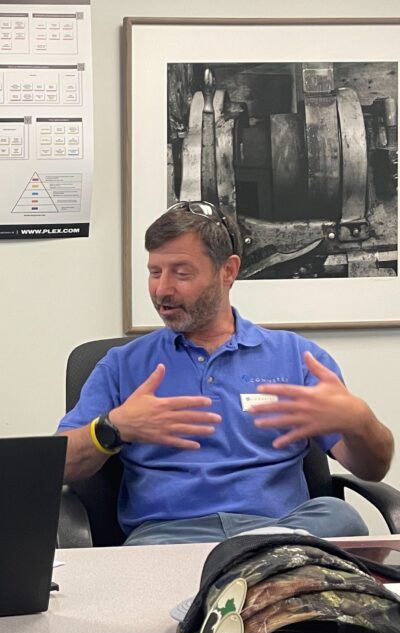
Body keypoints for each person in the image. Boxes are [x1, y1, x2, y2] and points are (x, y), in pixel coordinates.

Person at [58, 201, 394, 545]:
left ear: (228, 271)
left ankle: (244, 555)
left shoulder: (296, 357)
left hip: (282, 525)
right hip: (170, 538)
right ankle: (252, 558)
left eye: (181, 272)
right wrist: (114, 428)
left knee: (341, 516)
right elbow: (58, 465)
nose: (162, 290)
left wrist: (360, 421)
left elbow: (372, 469)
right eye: (155, 272)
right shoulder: (122, 365)